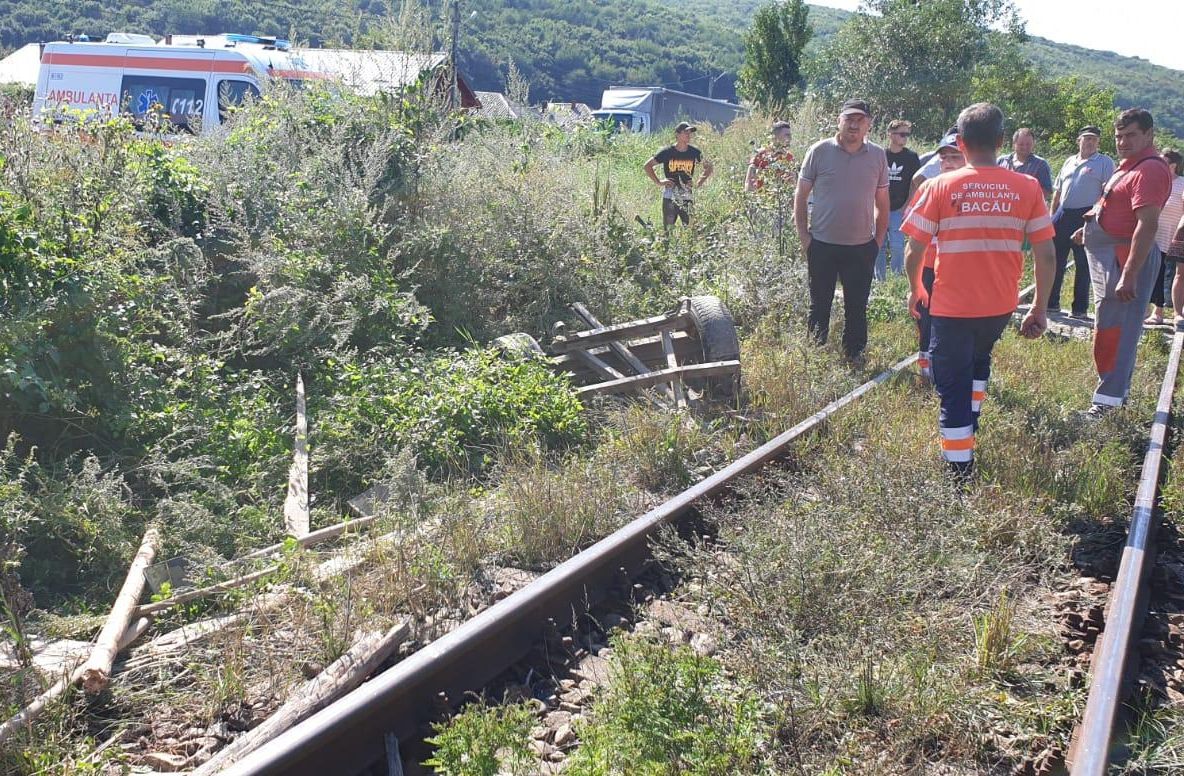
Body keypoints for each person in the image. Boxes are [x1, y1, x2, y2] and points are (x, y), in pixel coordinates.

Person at [902, 103, 1056, 477]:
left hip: (952, 307)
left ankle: (959, 472)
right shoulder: (1028, 186)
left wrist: (915, 287)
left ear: (961, 143)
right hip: (999, 305)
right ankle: (971, 423)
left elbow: (913, 249)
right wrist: (1039, 307)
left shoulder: (939, 185)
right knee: (979, 358)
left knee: (951, 386)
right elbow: (1047, 253)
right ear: (1001, 141)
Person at [1075, 108, 1172, 418]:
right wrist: (1090, 226)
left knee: (1118, 332)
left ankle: (1107, 404)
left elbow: (1147, 224)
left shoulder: (1149, 169)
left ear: (1149, 135)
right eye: (1118, 136)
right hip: (1113, 257)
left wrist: (1129, 274)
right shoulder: (1129, 166)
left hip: (1125, 261)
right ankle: (1113, 396)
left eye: (1131, 135)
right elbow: (1115, 205)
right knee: (1109, 327)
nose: (1122, 142)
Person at [794, 98, 890, 362]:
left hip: (861, 247)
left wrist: (877, 242)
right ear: (839, 121)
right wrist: (804, 237)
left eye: (860, 120)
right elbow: (800, 196)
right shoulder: (819, 151)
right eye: (849, 119)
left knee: (857, 307)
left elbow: (883, 203)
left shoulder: (878, 155)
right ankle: (815, 357)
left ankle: (854, 355)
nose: (854, 125)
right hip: (822, 244)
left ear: (869, 124)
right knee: (819, 305)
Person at [910, 132, 965, 380]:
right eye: (944, 157)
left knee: (956, 319)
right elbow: (913, 232)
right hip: (929, 264)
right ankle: (926, 366)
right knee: (925, 316)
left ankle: (955, 366)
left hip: (961, 268)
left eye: (955, 157)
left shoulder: (974, 191)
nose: (949, 162)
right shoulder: (927, 188)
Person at [1049, 127, 1116, 319]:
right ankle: (1051, 303)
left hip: (1086, 214)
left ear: (1098, 142)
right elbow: (1058, 191)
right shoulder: (1069, 161)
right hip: (1063, 213)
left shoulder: (1104, 162)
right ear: (1079, 140)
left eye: (1094, 139)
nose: (1090, 142)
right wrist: (1052, 217)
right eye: (1086, 139)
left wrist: (1094, 218)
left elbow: (1107, 193)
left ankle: (1079, 308)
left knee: (1083, 263)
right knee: (1055, 260)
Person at [644, 122, 713, 229]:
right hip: (670, 196)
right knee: (668, 230)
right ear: (677, 134)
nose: (688, 135)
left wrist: (698, 183)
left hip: (687, 195)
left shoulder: (694, 152)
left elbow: (709, 167)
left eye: (690, 132)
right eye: (685, 132)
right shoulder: (667, 152)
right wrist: (659, 182)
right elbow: (647, 166)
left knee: (690, 228)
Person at [877, 119, 921, 279]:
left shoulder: (911, 157)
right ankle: (880, 280)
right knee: (879, 246)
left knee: (897, 246)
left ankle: (896, 279)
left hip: (899, 208)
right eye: (902, 134)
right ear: (890, 134)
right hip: (879, 208)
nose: (905, 137)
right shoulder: (881, 155)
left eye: (907, 134)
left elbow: (915, 185)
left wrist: (906, 207)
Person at [1146, 150, 1184, 324]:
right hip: (1156, 235)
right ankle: (1157, 311)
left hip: (1176, 236)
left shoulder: (1182, 183)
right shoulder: (1156, 182)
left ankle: (1177, 312)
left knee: (1175, 274)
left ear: (1173, 165)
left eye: (1163, 161)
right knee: (1158, 273)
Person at [998, 128, 1053, 197]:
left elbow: (1046, 190)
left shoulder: (1040, 164)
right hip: (1002, 202)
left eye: (1028, 144)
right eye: (1021, 144)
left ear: (1033, 144)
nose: (1025, 147)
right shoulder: (1001, 161)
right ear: (1014, 144)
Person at [745, 120, 795, 192]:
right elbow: (748, 182)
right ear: (775, 136)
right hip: (762, 196)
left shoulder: (789, 157)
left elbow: (792, 184)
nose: (790, 138)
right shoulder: (760, 155)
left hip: (781, 196)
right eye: (787, 135)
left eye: (790, 135)